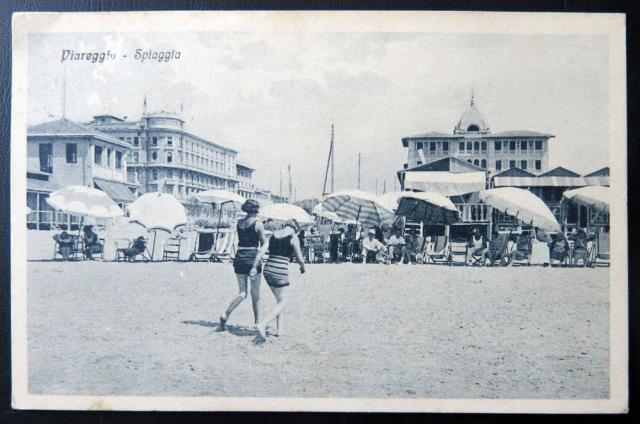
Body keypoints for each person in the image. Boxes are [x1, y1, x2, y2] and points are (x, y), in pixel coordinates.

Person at [252, 219, 306, 339]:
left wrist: (254, 266)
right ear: (296, 229)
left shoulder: (273, 235)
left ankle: (279, 330)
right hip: (280, 271)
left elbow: (261, 251)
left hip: (267, 269)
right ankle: (263, 324)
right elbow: (300, 258)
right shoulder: (293, 237)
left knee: (279, 300)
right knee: (283, 302)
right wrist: (303, 267)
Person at [219, 199, 267, 330]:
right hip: (252, 258)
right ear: (256, 210)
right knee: (255, 294)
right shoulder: (258, 224)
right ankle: (257, 323)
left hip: (239, 258)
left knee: (242, 292)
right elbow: (264, 243)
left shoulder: (240, 223)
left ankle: (226, 313)